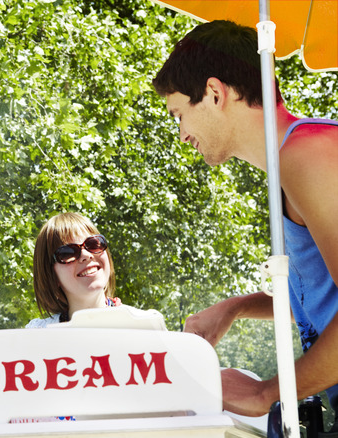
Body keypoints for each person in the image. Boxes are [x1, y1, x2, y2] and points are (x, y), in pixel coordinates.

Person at [152, 20, 338, 419]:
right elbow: (320, 299)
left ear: (214, 93)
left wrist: (267, 392)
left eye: (178, 114)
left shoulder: (309, 157)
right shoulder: (294, 164)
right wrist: (236, 307)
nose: (182, 134)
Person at [26, 212, 162, 329]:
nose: (86, 255)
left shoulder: (145, 325)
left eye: (93, 244)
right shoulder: (37, 334)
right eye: (68, 253)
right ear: (51, 275)